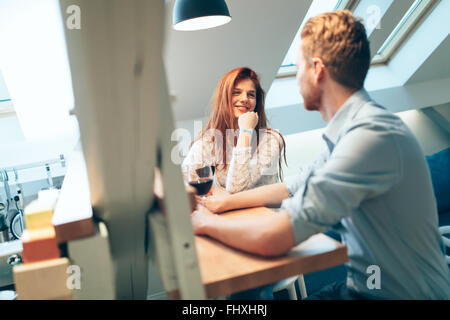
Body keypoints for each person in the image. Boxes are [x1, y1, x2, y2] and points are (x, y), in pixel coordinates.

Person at [191, 10, 450, 299]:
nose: (296, 77)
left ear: (317, 70)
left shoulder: (368, 140)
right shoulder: (354, 130)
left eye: (298, 68)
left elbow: (272, 240)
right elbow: (292, 187)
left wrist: (205, 223)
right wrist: (225, 204)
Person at [182, 67, 286, 194]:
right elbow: (184, 179)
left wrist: (246, 131)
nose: (244, 99)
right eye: (236, 92)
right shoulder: (211, 139)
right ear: (224, 98)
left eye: (251, 94)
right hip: (230, 212)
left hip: (266, 212)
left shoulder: (271, 140)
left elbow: (236, 189)